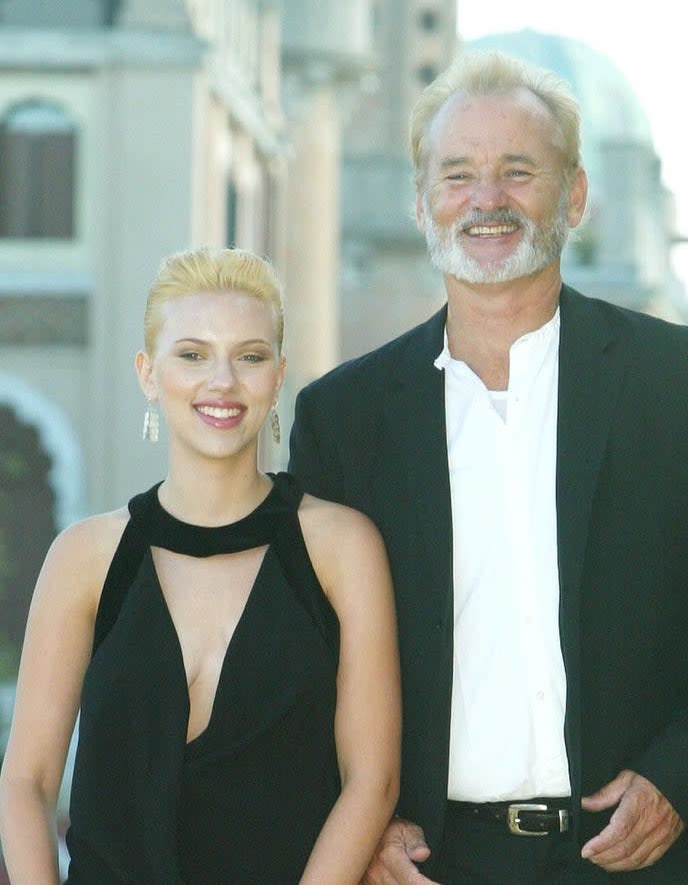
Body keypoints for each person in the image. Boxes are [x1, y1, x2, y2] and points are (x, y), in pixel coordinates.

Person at [289, 50, 688, 884]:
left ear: (573, 195)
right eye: (459, 173)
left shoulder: (679, 380)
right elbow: (307, 647)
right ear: (421, 201)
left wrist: (681, 780)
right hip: (434, 863)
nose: (487, 200)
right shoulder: (344, 418)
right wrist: (366, 814)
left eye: (519, 171)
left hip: (650, 853)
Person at [0, 248, 401, 883]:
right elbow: (27, 780)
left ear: (278, 375)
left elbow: (372, 781)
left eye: (250, 355)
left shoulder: (341, 548)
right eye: (192, 354)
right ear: (148, 373)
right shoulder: (84, 558)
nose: (222, 381)